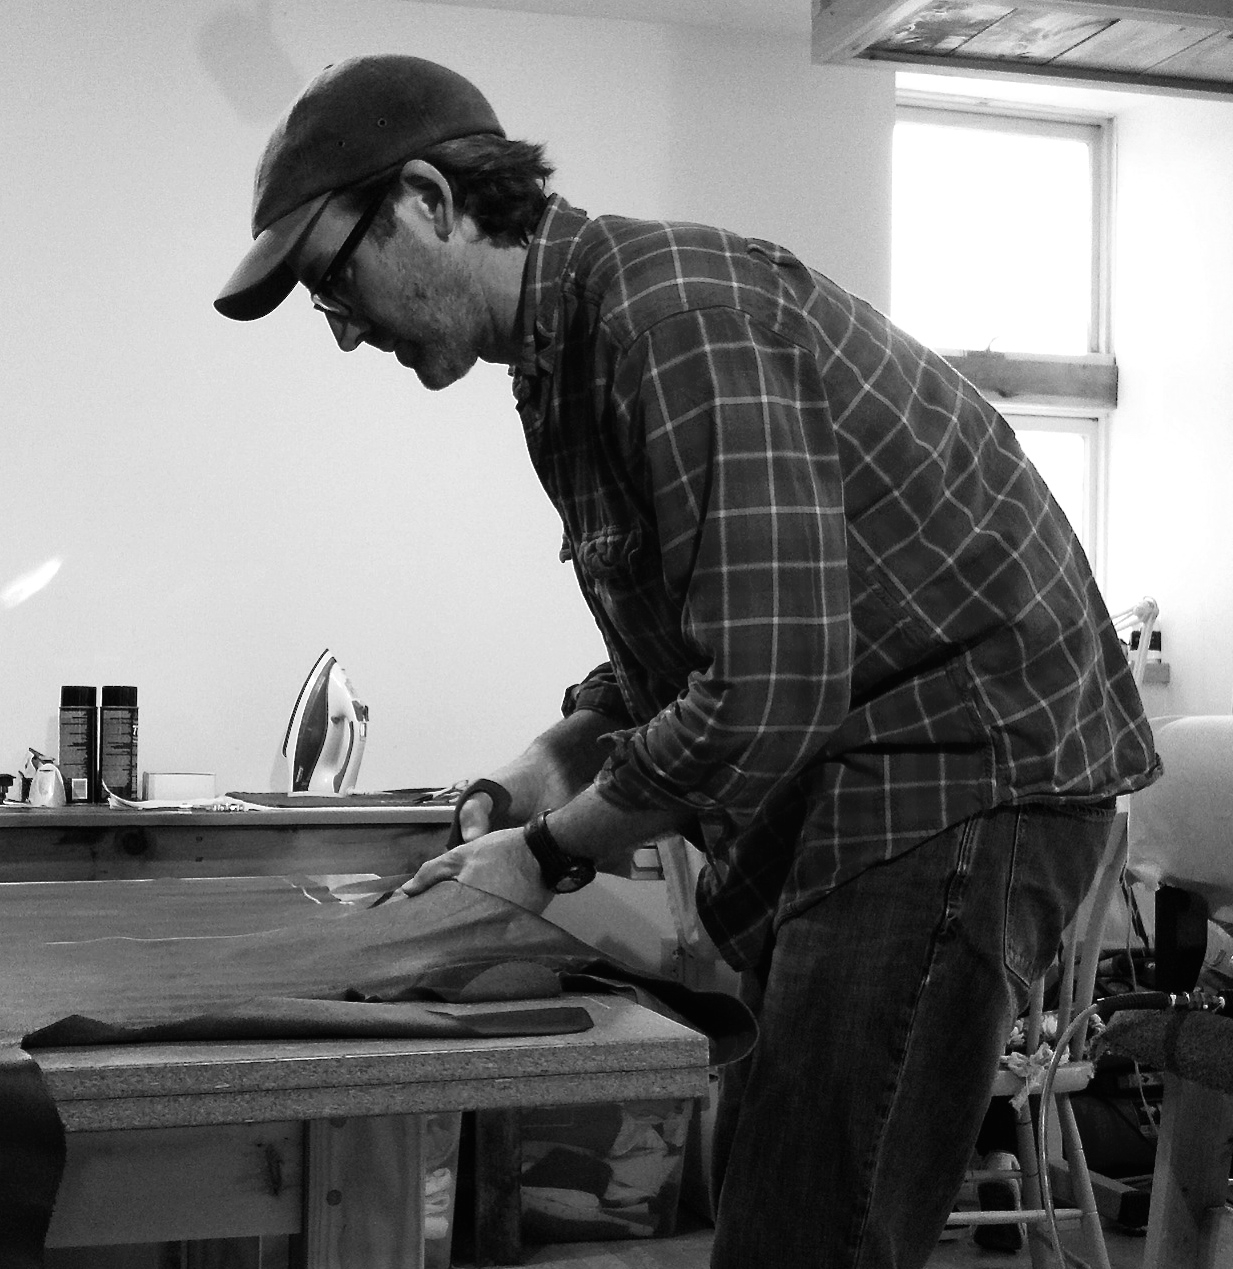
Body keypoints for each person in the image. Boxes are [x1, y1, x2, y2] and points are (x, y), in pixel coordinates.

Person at [215, 54, 1160, 1269]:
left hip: (953, 776)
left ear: (430, 203)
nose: (343, 330)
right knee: (777, 1199)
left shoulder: (667, 319)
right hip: (878, 784)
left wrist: (549, 855)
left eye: (333, 280)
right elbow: (679, 655)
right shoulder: (564, 365)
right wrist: (521, 786)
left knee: (806, 1233)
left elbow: (765, 691)